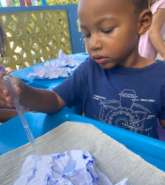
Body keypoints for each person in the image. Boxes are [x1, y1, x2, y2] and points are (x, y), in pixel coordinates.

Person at [0, 0, 165, 139]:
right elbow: (55, 100)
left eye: (106, 30)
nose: (93, 44)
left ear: (142, 23)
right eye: (86, 34)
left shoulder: (161, 77)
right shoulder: (90, 71)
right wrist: (25, 93)